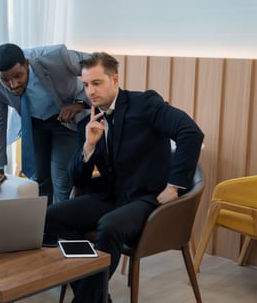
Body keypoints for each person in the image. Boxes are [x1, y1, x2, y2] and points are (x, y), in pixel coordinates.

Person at [44, 52, 204, 302]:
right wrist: (88, 146)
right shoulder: (88, 121)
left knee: (110, 226)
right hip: (111, 196)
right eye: (85, 85)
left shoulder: (146, 104)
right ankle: (94, 293)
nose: (90, 91)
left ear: (115, 79)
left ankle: (87, 298)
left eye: (97, 83)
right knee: (50, 216)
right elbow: (79, 180)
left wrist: (174, 186)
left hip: (148, 199)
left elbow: (190, 132)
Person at [0, 43, 90, 204]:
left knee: (61, 178)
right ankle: (43, 226)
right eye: (5, 80)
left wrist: (80, 102)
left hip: (66, 121)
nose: (13, 84)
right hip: (32, 123)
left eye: (18, 76)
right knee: (38, 179)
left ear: (27, 64)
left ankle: (64, 226)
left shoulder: (57, 56)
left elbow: (99, 63)